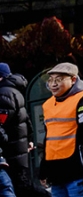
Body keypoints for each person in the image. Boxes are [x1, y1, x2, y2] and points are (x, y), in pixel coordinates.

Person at [38, 63, 83, 197]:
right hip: (57, 178)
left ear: (73, 80)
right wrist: (44, 171)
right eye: (50, 80)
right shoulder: (48, 104)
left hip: (79, 177)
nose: (53, 84)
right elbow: (49, 140)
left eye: (59, 79)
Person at [0, 63, 44, 197]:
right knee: (23, 186)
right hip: (18, 148)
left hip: (11, 151)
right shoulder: (13, 91)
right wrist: (29, 138)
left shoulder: (3, 94)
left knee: (21, 188)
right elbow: (26, 118)